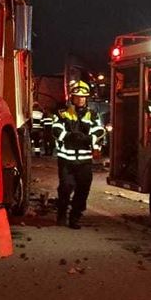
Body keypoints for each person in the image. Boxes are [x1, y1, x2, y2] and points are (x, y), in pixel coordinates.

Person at [52, 80, 95, 229]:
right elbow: (55, 129)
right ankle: (62, 213)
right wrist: (69, 137)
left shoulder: (92, 114)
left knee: (83, 190)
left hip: (84, 161)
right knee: (65, 187)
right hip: (67, 160)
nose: (81, 99)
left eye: (83, 97)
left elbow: (100, 130)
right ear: (72, 97)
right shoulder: (63, 113)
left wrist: (89, 138)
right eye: (77, 96)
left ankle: (75, 217)